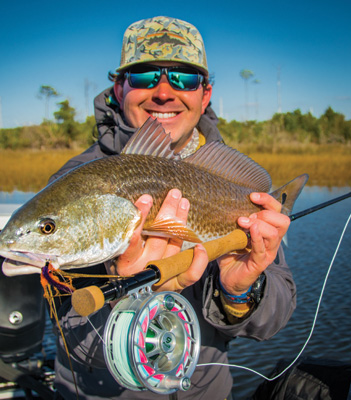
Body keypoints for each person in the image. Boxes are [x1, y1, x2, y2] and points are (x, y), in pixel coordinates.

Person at [50, 16, 296, 400]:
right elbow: (74, 338)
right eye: (144, 76)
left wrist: (238, 292)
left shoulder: (236, 186)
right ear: (119, 88)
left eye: (184, 78)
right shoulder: (75, 185)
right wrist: (128, 293)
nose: (163, 92)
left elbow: (274, 320)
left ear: (206, 94)